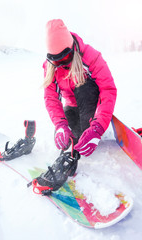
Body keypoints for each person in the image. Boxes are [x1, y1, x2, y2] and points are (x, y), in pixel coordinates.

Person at [33, 19, 117, 195]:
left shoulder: (91, 56)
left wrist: (98, 127)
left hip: (91, 102)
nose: (62, 64)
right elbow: (51, 97)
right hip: (72, 106)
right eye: (57, 61)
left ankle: (92, 126)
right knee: (71, 141)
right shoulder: (49, 66)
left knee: (84, 89)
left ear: (73, 50)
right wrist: (60, 125)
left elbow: (108, 90)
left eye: (66, 58)